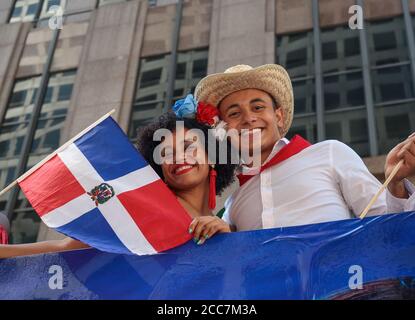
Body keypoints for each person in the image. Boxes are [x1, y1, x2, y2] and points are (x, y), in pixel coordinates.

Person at [194, 64, 415, 231]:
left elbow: (386, 229)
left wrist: (395, 184)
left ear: (278, 116)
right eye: (234, 113)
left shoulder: (330, 153)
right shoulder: (232, 206)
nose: (249, 118)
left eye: (258, 107)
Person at [0, 112, 236, 258]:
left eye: (188, 146)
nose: (178, 158)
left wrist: (227, 237)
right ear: (160, 170)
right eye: (166, 153)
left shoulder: (228, 219)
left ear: (213, 155)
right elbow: (67, 247)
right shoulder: (154, 208)